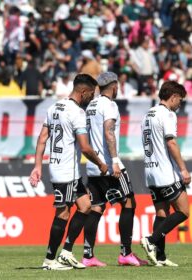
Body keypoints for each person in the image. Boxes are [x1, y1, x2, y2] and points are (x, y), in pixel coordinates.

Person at [29, 74, 108, 270]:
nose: (92, 98)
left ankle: (66, 252)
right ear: (83, 92)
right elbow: (85, 147)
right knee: (63, 214)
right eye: (91, 94)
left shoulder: (54, 107)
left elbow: (42, 139)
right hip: (65, 171)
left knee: (85, 205)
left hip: (64, 170)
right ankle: (49, 260)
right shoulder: (77, 113)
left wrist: (38, 166)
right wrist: (100, 164)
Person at [83, 72, 148, 267]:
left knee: (96, 207)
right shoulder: (109, 105)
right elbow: (109, 132)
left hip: (93, 166)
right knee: (129, 203)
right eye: (117, 85)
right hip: (109, 165)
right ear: (113, 86)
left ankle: (88, 256)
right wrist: (115, 160)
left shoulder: (91, 106)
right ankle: (125, 253)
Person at [140, 81, 191, 266]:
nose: (180, 105)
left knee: (162, 214)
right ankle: (151, 241)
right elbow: (171, 143)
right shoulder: (167, 114)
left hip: (150, 173)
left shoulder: (148, 114)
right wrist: (183, 169)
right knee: (184, 211)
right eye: (180, 101)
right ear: (173, 96)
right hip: (165, 172)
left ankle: (159, 257)